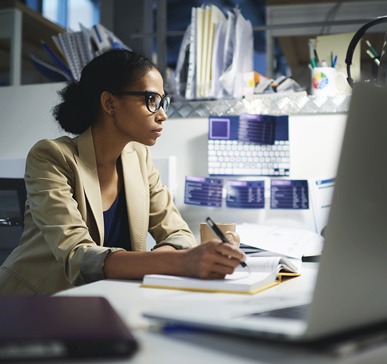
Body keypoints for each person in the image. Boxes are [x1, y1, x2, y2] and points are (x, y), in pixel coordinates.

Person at [0, 49, 246, 295]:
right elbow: (78, 256)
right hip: (32, 303)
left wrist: (170, 261)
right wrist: (179, 262)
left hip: (103, 301)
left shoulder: (139, 157)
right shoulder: (51, 157)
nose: (162, 115)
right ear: (109, 103)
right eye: (151, 100)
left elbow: (178, 233)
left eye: (163, 101)